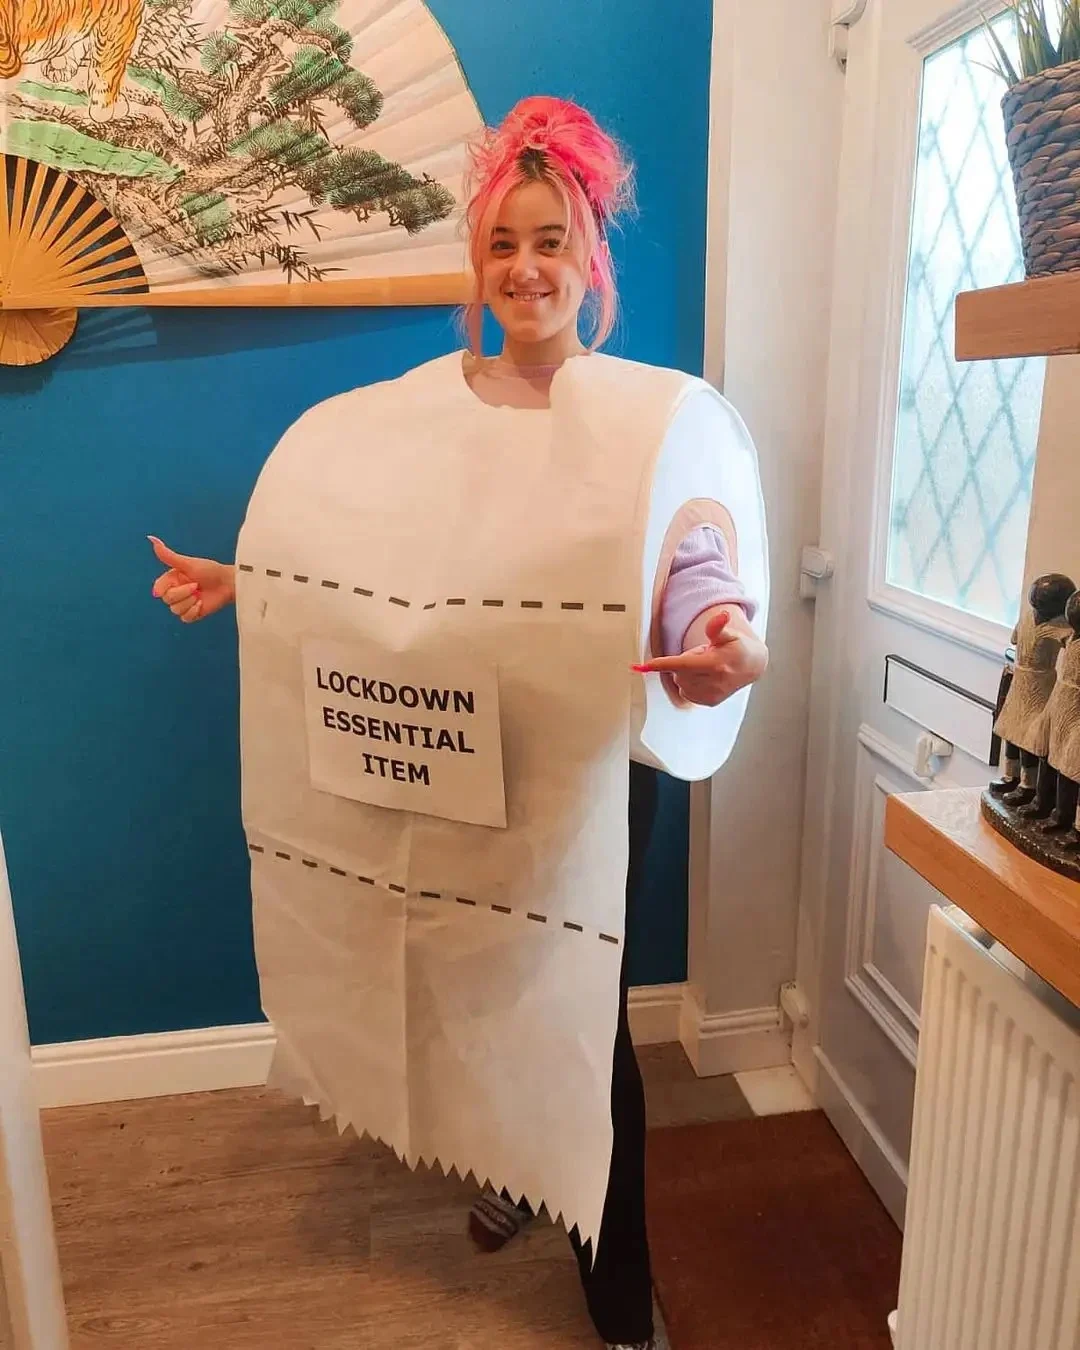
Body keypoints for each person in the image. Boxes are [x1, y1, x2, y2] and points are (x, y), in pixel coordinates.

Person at [151, 97, 768, 1350]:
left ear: (589, 260)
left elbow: (693, 558)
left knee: (578, 1003)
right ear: (476, 266)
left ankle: (619, 1295)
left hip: (585, 775)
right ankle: (517, 1168)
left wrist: (721, 640)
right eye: (502, 244)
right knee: (478, 973)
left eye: (551, 241)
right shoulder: (425, 421)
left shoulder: (643, 425)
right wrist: (247, 580)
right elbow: (373, 571)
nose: (526, 267)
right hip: (458, 757)